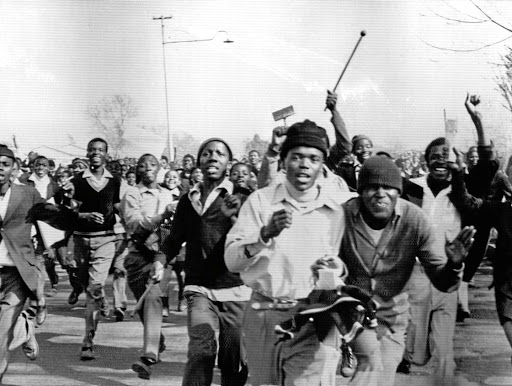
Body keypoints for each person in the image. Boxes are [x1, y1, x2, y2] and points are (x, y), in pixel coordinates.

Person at [225, 120, 348, 385]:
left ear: (322, 165)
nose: (305, 164)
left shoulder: (335, 211)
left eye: (314, 159)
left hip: (315, 315)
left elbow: (344, 264)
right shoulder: (260, 201)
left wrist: (334, 269)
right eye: (297, 157)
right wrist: (264, 235)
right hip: (265, 314)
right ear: (283, 160)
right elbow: (232, 261)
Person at [336, 155, 474, 385]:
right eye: (372, 187)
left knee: (384, 374)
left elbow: (443, 282)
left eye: (388, 187)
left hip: (392, 317)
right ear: (360, 192)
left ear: (398, 192)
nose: (380, 193)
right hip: (351, 315)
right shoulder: (342, 216)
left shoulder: (415, 220)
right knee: (370, 366)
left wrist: (454, 264)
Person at [164, 138, 250, 386]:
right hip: (199, 288)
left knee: (232, 360)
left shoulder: (243, 197)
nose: (213, 157)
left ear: (228, 163)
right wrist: (161, 259)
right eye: (207, 153)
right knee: (201, 349)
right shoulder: (186, 200)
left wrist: (237, 219)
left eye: (220, 154)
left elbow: (255, 237)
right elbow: (171, 237)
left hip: (236, 289)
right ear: (199, 161)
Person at [120, 153, 176, 380]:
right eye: (142, 166)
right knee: (145, 306)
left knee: (153, 297)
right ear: (137, 170)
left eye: (152, 165)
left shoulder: (168, 194)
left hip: (161, 257)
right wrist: (162, 215)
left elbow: (175, 227)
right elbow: (134, 225)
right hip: (137, 257)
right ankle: (156, 339)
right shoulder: (132, 194)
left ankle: (148, 356)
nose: (148, 169)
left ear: (160, 167)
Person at [68, 138, 121, 360]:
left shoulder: (115, 181)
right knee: (83, 282)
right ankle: (100, 298)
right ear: (87, 153)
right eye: (92, 150)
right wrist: (84, 215)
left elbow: (120, 208)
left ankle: (88, 341)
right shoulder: (77, 181)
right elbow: (68, 213)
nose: (95, 153)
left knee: (94, 288)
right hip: (81, 240)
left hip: (106, 240)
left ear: (106, 154)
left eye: (100, 150)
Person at [0, 146, 49, 382]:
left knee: (1, 335)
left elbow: (49, 213)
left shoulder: (26, 193)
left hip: (15, 272)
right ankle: (25, 329)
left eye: (5, 164)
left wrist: (75, 213)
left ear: (12, 169)